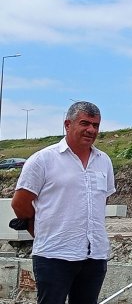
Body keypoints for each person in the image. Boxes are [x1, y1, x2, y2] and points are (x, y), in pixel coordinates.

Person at [11, 101, 115, 304]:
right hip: (54, 255)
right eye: (85, 123)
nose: (91, 130)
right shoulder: (43, 160)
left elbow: (101, 200)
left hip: (94, 255)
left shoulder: (104, 161)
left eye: (95, 125)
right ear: (68, 124)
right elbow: (19, 203)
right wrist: (35, 227)